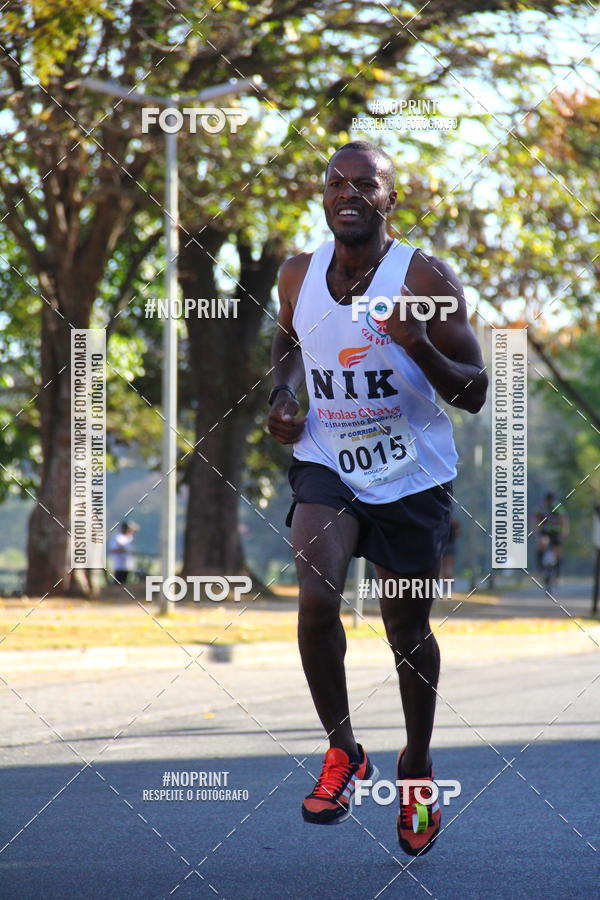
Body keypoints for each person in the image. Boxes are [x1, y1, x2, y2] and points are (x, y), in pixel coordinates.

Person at [267, 140, 488, 856]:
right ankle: (343, 752)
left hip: (411, 477)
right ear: (323, 195)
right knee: (316, 597)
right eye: (337, 182)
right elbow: (289, 346)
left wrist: (418, 345)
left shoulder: (425, 276)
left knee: (406, 630)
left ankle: (416, 767)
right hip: (327, 462)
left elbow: (476, 391)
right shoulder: (297, 274)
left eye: (367, 184)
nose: (350, 193)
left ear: (390, 198)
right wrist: (282, 398)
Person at [534, 492, 568, 578]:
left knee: (557, 551)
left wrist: (564, 531)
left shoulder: (557, 506)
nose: (549, 502)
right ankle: (540, 567)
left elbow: (563, 519)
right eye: (547, 500)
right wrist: (536, 532)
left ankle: (558, 570)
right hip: (544, 531)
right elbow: (534, 519)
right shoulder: (541, 507)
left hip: (555, 531)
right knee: (543, 542)